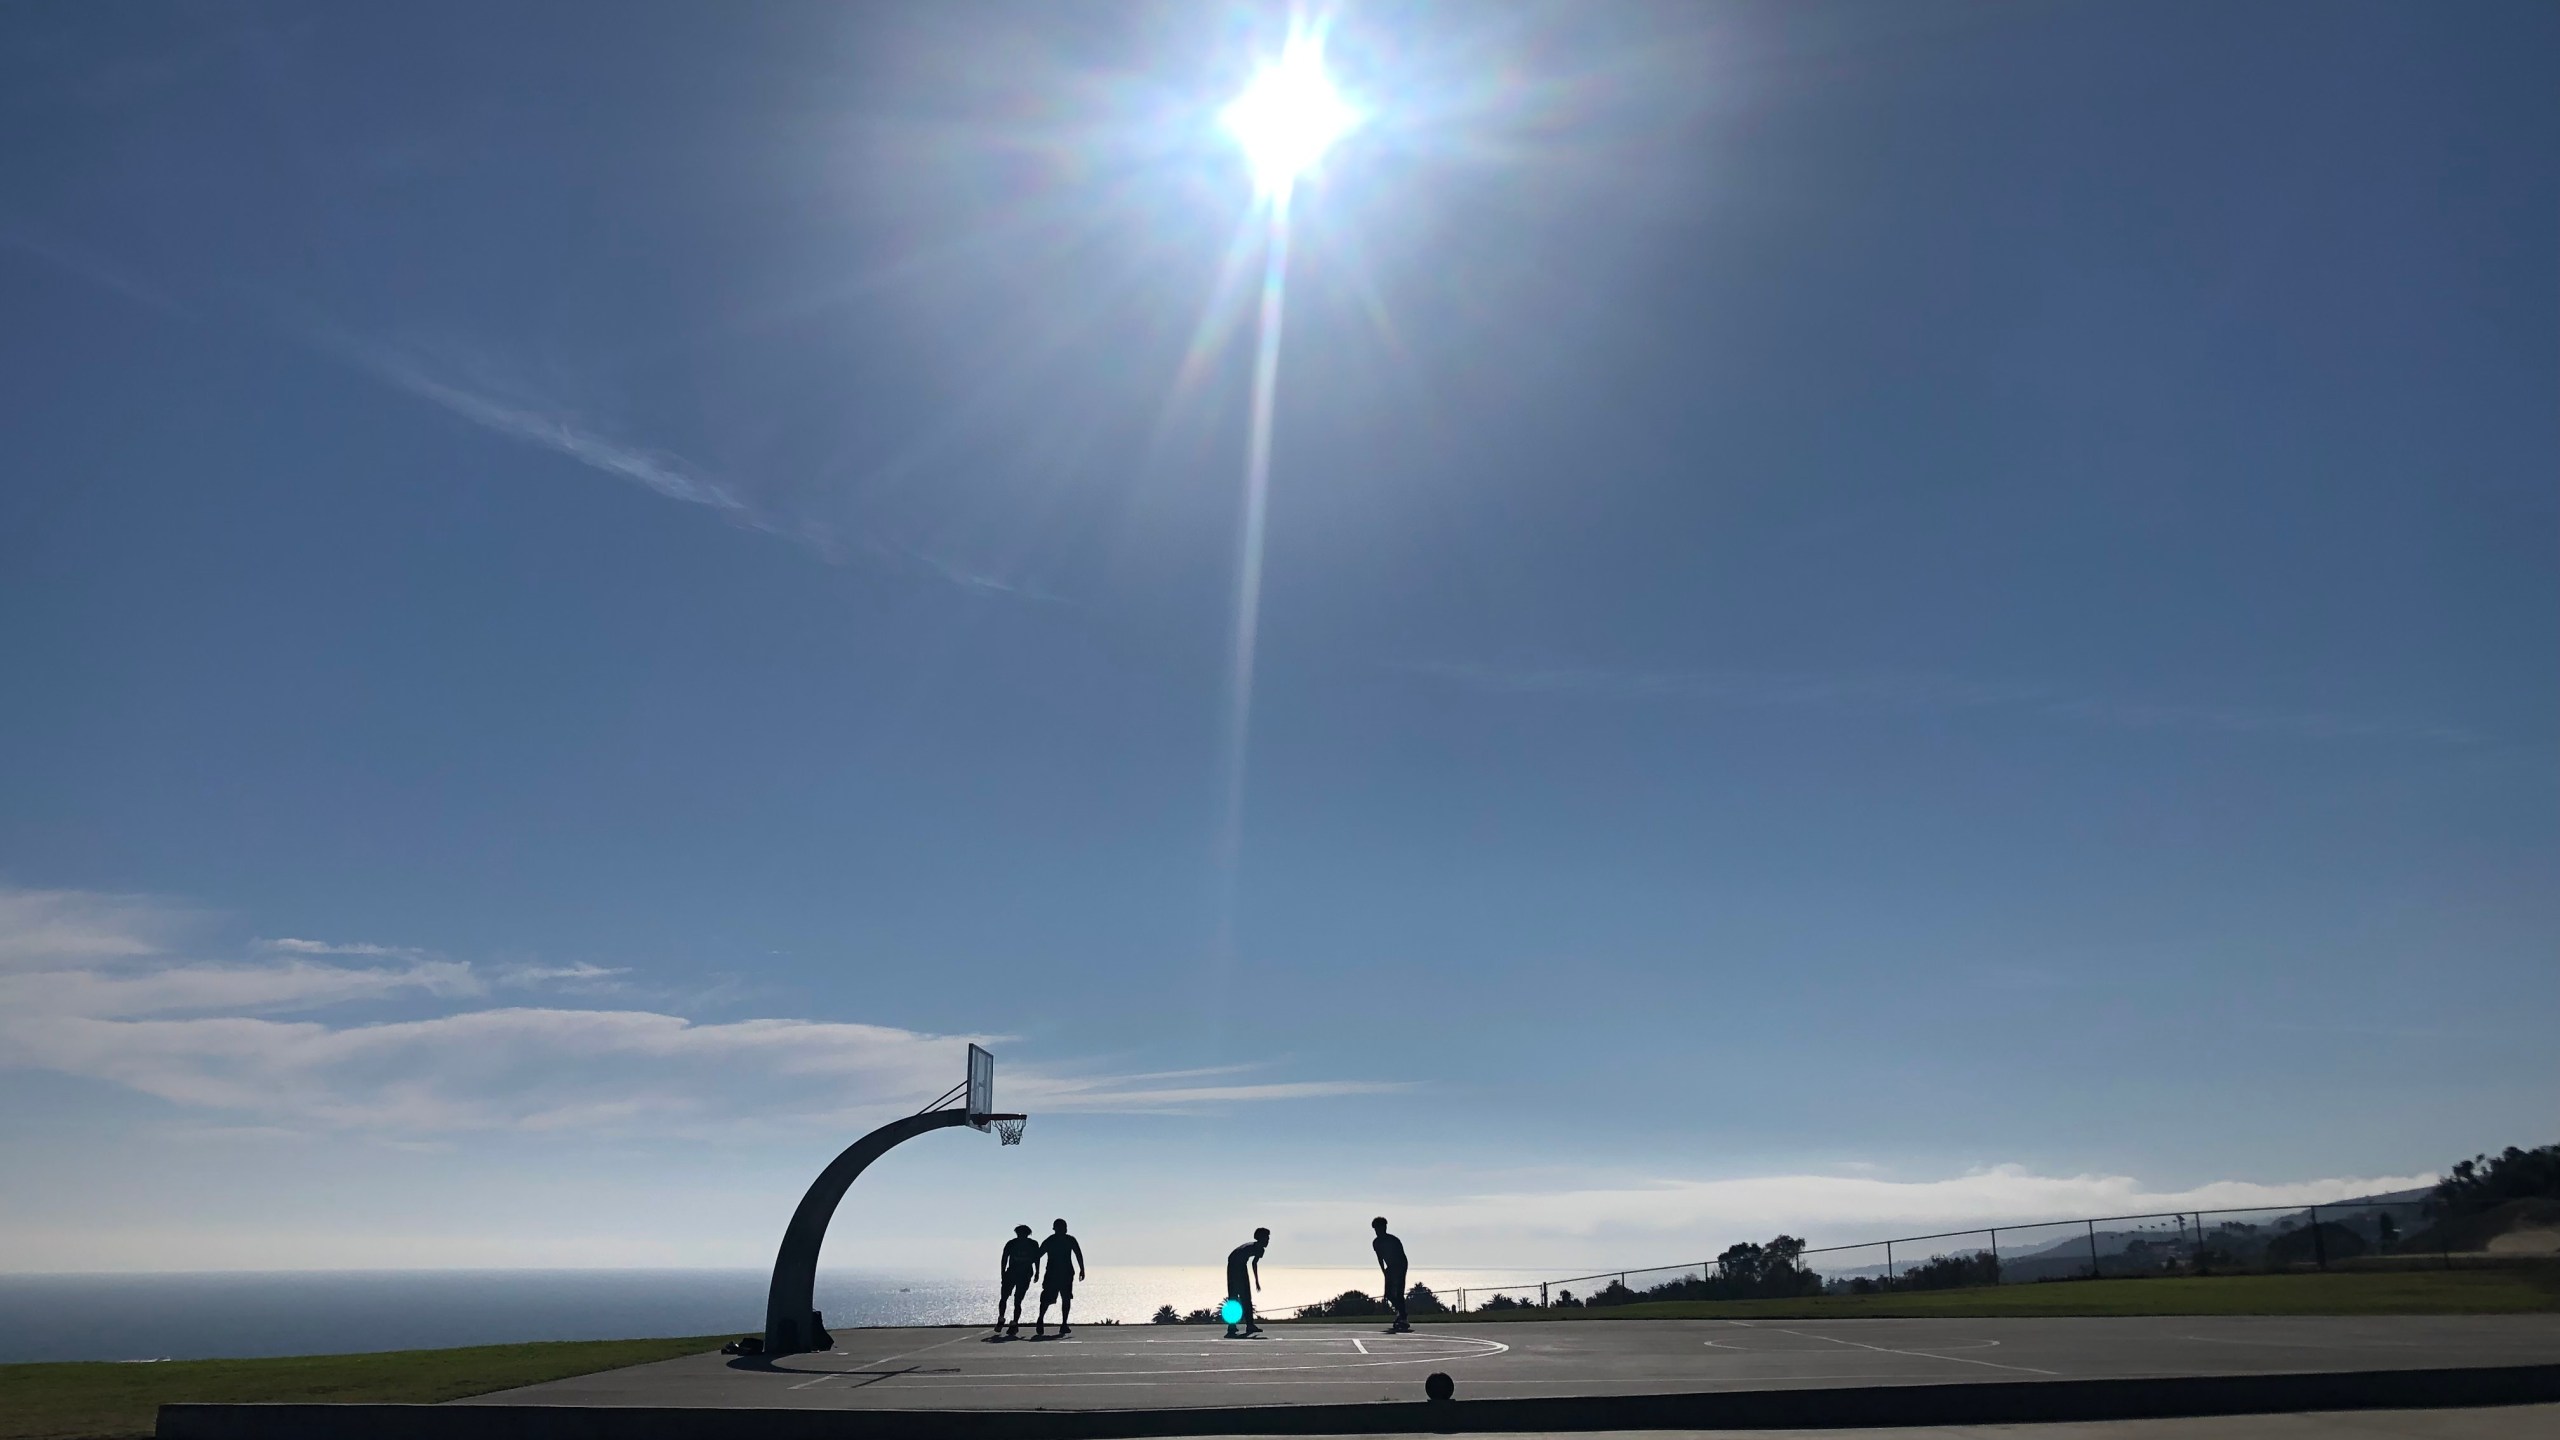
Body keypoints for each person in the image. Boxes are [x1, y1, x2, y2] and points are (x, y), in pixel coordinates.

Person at [1033, 1217, 1084, 1338]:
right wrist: (1037, 1272)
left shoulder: (1066, 1240)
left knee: (1065, 1298)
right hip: (1055, 1274)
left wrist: (1082, 1269)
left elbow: (1078, 1253)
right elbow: (1038, 1255)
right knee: (1049, 1298)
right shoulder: (1053, 1240)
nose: (1063, 1230)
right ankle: (1042, 1319)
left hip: (1062, 1273)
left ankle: (1063, 1323)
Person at [995, 1224, 1040, 1336]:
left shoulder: (1033, 1244)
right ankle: (1001, 1318)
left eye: (1023, 1234)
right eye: (1019, 1234)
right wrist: (1003, 1273)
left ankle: (1014, 1323)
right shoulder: (1011, 1244)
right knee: (1004, 1297)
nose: (1021, 1236)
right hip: (1012, 1273)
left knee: (1017, 1300)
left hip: (1024, 1275)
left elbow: (1036, 1258)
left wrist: (1037, 1272)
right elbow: (1004, 1258)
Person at [1225, 1227, 1270, 1338]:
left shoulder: (1253, 1246)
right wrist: (1257, 1281)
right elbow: (1254, 1264)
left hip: (1232, 1264)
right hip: (1237, 1265)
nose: (1268, 1240)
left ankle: (1233, 1326)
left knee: (1234, 1297)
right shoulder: (1259, 1248)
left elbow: (1253, 1263)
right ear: (1261, 1238)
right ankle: (1248, 1325)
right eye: (1266, 1238)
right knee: (1245, 1298)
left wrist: (1256, 1281)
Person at [1371, 1216, 1412, 1333]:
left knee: (1399, 1292)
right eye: (1376, 1229)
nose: (1378, 1231)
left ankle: (1403, 1317)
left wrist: (1397, 1272)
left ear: (1385, 1227)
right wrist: (1385, 1272)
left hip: (1400, 1266)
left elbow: (1401, 1257)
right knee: (1388, 1294)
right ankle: (1401, 1312)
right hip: (1390, 1267)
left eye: (1380, 1228)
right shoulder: (1376, 1242)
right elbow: (1380, 1258)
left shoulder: (1393, 1240)